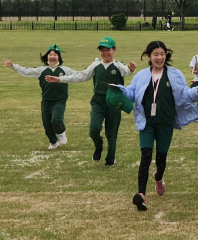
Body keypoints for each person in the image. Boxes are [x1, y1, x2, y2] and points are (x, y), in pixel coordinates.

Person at [117, 40, 198, 211]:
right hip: (147, 122)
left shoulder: (175, 74)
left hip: (165, 122)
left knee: (161, 159)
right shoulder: (141, 75)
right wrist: (121, 90)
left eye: (162, 54)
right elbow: (132, 93)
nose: (159, 57)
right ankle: (141, 195)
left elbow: (185, 94)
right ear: (148, 56)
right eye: (155, 54)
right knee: (146, 156)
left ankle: (159, 177)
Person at [45, 37, 136, 166]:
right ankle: (98, 146)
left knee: (112, 132)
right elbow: (80, 76)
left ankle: (111, 157)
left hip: (114, 102)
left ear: (114, 50)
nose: (105, 53)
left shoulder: (118, 65)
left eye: (108, 50)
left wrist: (131, 69)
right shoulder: (96, 65)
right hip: (98, 101)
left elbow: (127, 72)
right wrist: (59, 79)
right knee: (94, 129)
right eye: (102, 50)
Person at [3, 44, 75, 150]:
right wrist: (13, 66)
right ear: (47, 57)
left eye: (55, 54)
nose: (53, 57)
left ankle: (61, 132)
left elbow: (79, 75)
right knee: (47, 125)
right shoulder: (41, 70)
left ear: (59, 57)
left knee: (56, 119)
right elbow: (26, 71)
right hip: (46, 100)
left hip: (60, 100)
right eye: (50, 54)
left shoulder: (65, 70)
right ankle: (53, 142)